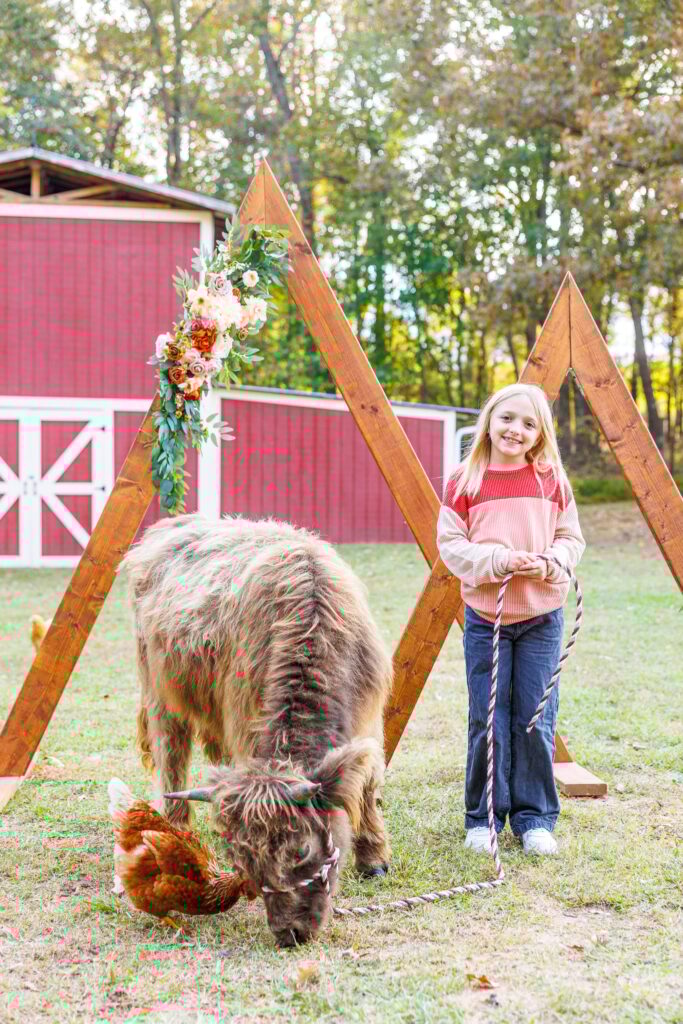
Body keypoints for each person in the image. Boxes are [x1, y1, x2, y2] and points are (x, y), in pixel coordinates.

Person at [437, 383, 585, 856]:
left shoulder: (552, 480)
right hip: (488, 617)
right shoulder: (464, 480)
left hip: (542, 615)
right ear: (489, 421)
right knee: (487, 717)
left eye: (528, 423)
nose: (515, 430)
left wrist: (553, 559)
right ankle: (482, 818)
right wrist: (494, 560)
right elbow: (452, 547)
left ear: (541, 433)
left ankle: (534, 817)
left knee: (535, 718)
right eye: (507, 418)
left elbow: (571, 537)